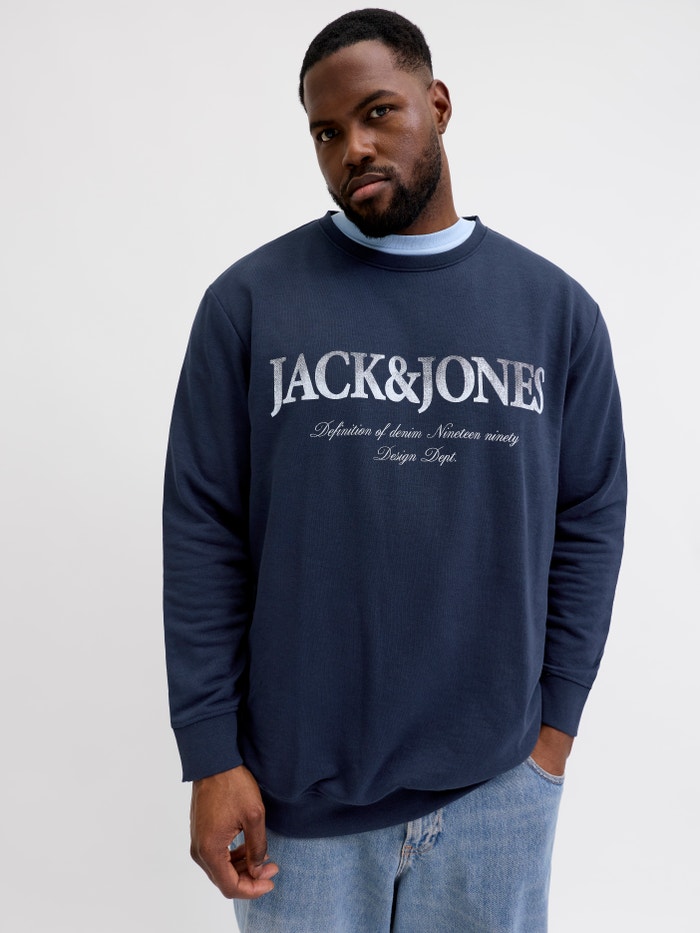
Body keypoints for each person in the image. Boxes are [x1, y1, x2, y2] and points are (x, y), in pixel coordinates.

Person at [163, 9, 626, 931]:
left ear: (438, 104)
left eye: (379, 112)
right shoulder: (249, 303)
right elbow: (203, 531)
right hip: (298, 804)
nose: (355, 149)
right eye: (327, 132)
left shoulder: (555, 313)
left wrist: (554, 738)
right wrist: (210, 753)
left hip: (498, 790)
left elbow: (590, 518)